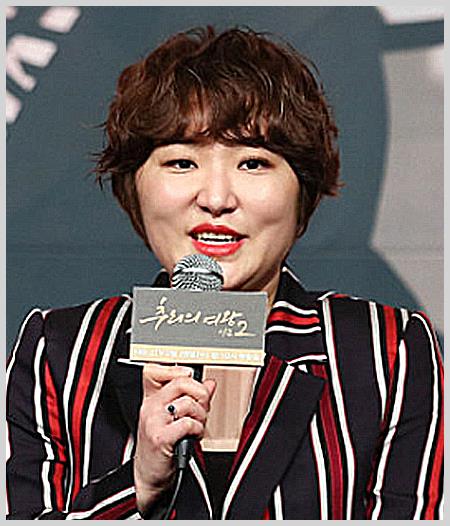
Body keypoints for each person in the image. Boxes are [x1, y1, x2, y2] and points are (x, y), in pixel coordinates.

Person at [6, 26, 443, 520]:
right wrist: (139, 483)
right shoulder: (61, 351)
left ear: (302, 188)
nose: (216, 198)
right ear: (134, 186)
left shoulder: (385, 350)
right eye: (181, 162)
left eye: (253, 163)